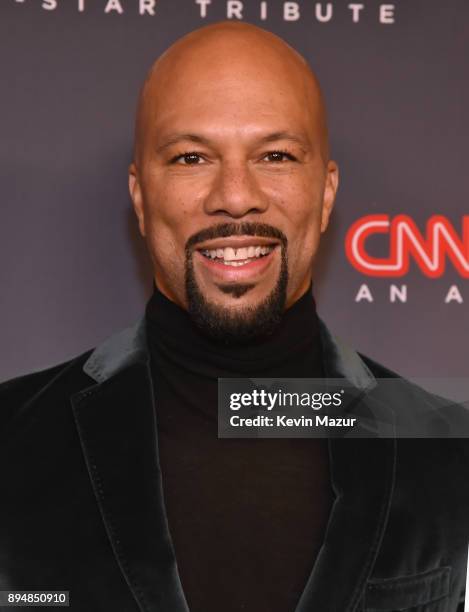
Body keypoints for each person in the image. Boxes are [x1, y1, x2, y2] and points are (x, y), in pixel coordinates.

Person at [0, 21, 467, 612]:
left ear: (325, 195)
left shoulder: (447, 452)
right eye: (192, 157)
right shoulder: (12, 442)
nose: (236, 195)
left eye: (275, 155)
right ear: (141, 196)